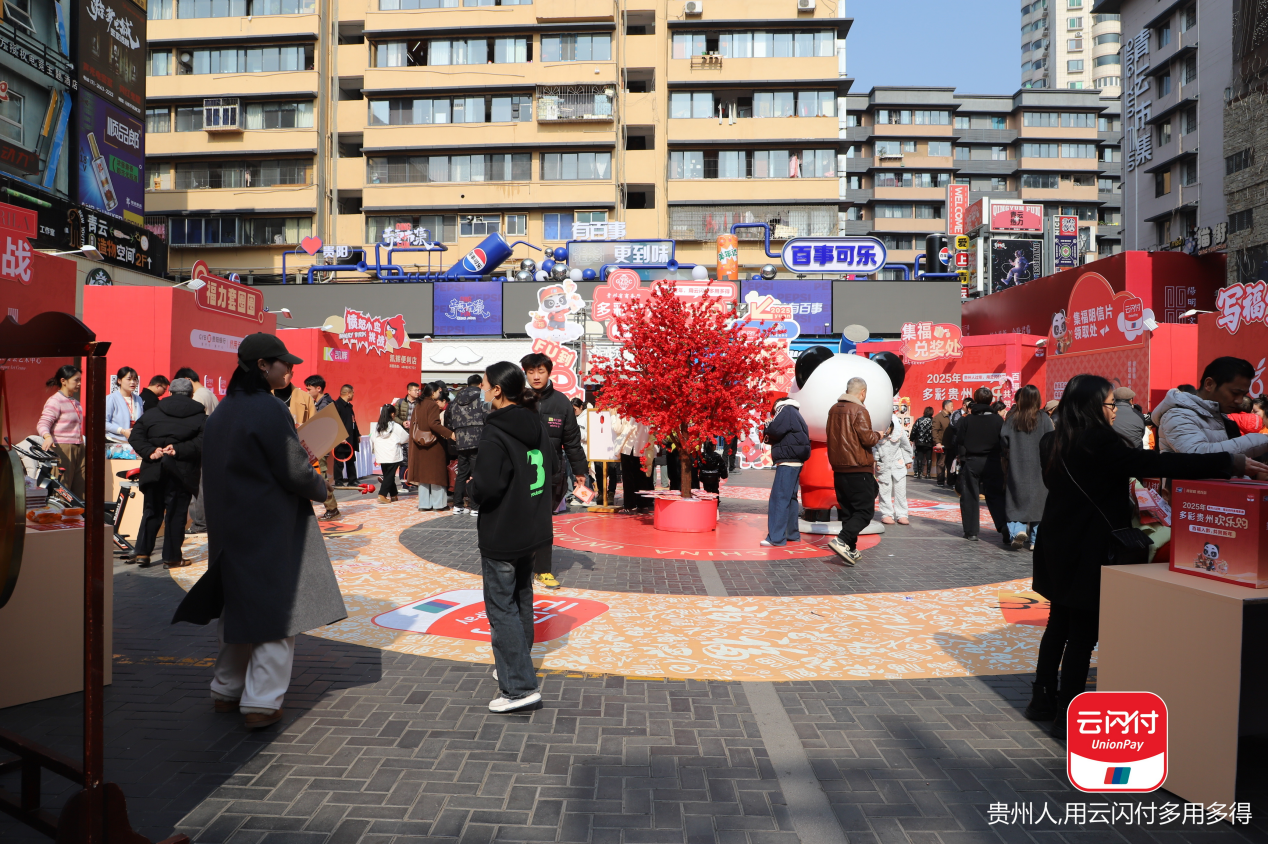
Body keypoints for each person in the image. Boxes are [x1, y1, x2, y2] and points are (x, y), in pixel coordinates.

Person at [1027, 374, 1265, 737]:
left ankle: (1041, 698)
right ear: (1093, 406)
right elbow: (1161, 464)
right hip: (1090, 547)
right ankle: (1067, 714)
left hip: (1056, 544)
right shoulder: (1101, 443)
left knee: (1058, 623)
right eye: (1110, 404)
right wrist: (1229, 463)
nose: (1115, 412)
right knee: (1083, 633)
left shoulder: (1052, 441)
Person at [172, 333, 347, 730]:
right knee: (276, 610)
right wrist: (320, 487)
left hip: (228, 524)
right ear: (263, 366)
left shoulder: (221, 413)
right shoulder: (269, 409)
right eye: (284, 362)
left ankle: (226, 690)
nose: (291, 368)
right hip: (269, 524)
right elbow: (294, 470)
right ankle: (261, 703)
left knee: (237, 607)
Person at [469, 361, 553, 713]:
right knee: (521, 600)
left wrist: (473, 490)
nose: (482, 390)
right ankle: (516, 666)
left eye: (485, 385)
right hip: (532, 529)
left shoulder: (495, 431)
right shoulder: (536, 421)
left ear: (498, 391)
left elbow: (487, 488)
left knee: (501, 608)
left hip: (503, 532)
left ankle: (518, 687)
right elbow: (553, 470)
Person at [521, 353, 589, 589]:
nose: (536, 376)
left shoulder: (561, 403)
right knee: (519, 519)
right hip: (520, 472)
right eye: (530, 372)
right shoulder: (518, 399)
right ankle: (520, 565)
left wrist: (580, 470)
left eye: (540, 371)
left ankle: (542, 570)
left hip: (550, 473)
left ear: (549, 372)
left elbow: (571, 441)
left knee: (542, 522)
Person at [127, 378, 205, 568]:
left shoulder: (152, 413)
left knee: (151, 511)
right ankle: (172, 558)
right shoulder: (201, 417)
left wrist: (150, 451)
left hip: (154, 469)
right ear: (191, 395)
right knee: (176, 514)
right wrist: (178, 449)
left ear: (170, 394)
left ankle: (142, 553)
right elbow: (204, 441)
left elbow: (136, 435)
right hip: (181, 472)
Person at [1152, 357, 1268, 458]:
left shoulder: (1223, 418)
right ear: (1209, 384)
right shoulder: (1177, 415)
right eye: (1235, 392)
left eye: (1243, 395)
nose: (1239, 401)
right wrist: (1260, 441)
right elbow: (1197, 454)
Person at [826, 377, 883, 566]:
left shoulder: (834, 409)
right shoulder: (859, 410)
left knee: (849, 511)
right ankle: (842, 540)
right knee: (865, 511)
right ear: (863, 392)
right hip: (858, 467)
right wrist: (879, 435)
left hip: (839, 469)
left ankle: (849, 548)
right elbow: (867, 439)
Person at [1000, 385, 1053, 552]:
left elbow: (1003, 440)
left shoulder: (1012, 418)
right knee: (1040, 504)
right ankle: (1036, 540)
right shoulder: (1044, 418)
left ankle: (1018, 530)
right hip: (1040, 467)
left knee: (1015, 502)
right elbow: (1051, 440)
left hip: (1017, 465)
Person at [953, 387, 1008, 543]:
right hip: (992, 460)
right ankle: (1003, 525)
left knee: (970, 495)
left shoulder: (967, 420)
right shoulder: (998, 419)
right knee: (995, 494)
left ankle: (971, 532)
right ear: (991, 401)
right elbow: (1003, 440)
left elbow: (960, 440)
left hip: (972, 461)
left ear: (975, 400)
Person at [760, 397, 809, 547]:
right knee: (790, 498)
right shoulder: (796, 413)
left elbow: (774, 429)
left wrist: (767, 424)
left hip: (787, 460)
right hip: (796, 459)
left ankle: (776, 537)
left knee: (779, 498)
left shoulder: (784, 409)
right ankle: (791, 533)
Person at [176, 369, 217, 534]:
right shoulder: (209, 394)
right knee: (204, 488)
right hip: (211, 447)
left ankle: (199, 524)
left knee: (197, 489)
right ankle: (204, 523)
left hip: (200, 448)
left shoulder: (199, 396)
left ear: (187, 380)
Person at [38, 365, 86, 500]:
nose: (79, 384)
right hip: (63, 448)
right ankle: (60, 519)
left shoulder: (76, 402)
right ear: (63, 380)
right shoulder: (55, 400)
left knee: (80, 490)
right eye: (76, 380)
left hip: (79, 448)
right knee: (63, 492)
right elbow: (43, 423)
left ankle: (78, 519)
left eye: (80, 380)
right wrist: (47, 437)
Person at [407, 383, 455, 510]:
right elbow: (433, 424)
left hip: (419, 444)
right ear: (433, 393)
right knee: (436, 475)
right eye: (438, 392)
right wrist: (450, 434)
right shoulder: (432, 405)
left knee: (423, 476)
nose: (439, 394)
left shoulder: (418, 405)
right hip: (433, 445)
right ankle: (439, 504)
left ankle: (424, 504)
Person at [449, 374, 489, 514]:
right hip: (478, 439)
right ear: (480, 384)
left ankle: (457, 506)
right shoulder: (482, 397)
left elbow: (449, 417)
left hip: (460, 440)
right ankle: (475, 507)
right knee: (476, 473)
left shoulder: (456, 398)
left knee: (461, 474)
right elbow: (487, 415)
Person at [874, 415, 913, 526]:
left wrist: (908, 460)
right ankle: (887, 514)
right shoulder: (876, 434)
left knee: (901, 491)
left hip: (898, 465)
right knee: (884, 490)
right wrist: (875, 458)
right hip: (883, 466)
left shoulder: (899, 432)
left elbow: (906, 446)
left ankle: (902, 514)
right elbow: (872, 448)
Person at [370, 404, 409, 504]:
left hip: (381, 455)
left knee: (388, 474)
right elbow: (405, 438)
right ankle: (382, 495)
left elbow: (373, 439)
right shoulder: (395, 426)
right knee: (389, 476)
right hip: (393, 454)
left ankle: (393, 495)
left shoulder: (378, 427)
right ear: (392, 414)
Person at [613, 414, 652, 513]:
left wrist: (614, 415)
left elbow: (617, 428)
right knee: (641, 477)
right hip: (641, 446)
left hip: (630, 446)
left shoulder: (626, 412)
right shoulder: (647, 410)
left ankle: (630, 505)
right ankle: (642, 504)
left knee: (629, 478)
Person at [394, 381, 423, 487]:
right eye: (415, 390)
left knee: (415, 459)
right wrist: (403, 422)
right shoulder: (400, 402)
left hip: (416, 434)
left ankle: (414, 481)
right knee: (404, 460)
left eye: (418, 390)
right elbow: (394, 416)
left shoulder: (420, 403)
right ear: (409, 391)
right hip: (403, 435)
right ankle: (404, 484)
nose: (417, 392)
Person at [333, 385, 360, 487]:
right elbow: (335, 423)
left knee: (351, 460)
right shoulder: (337, 405)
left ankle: (352, 480)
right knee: (339, 461)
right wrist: (340, 436)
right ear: (348, 393)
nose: (353, 395)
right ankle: (338, 481)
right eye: (353, 393)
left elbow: (353, 421)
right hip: (341, 439)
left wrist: (358, 434)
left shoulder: (349, 406)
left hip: (350, 438)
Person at [931, 399, 954, 486]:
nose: (952, 408)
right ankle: (940, 481)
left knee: (950, 463)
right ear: (945, 407)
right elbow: (934, 431)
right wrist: (937, 442)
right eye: (951, 406)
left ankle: (950, 481)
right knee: (941, 463)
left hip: (951, 444)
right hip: (942, 444)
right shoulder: (938, 417)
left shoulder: (952, 416)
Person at [910, 407, 935, 479]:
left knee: (919, 457)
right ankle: (928, 474)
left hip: (919, 442)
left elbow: (914, 430)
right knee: (929, 458)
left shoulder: (919, 420)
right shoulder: (933, 421)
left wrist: (911, 439)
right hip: (929, 442)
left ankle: (919, 473)